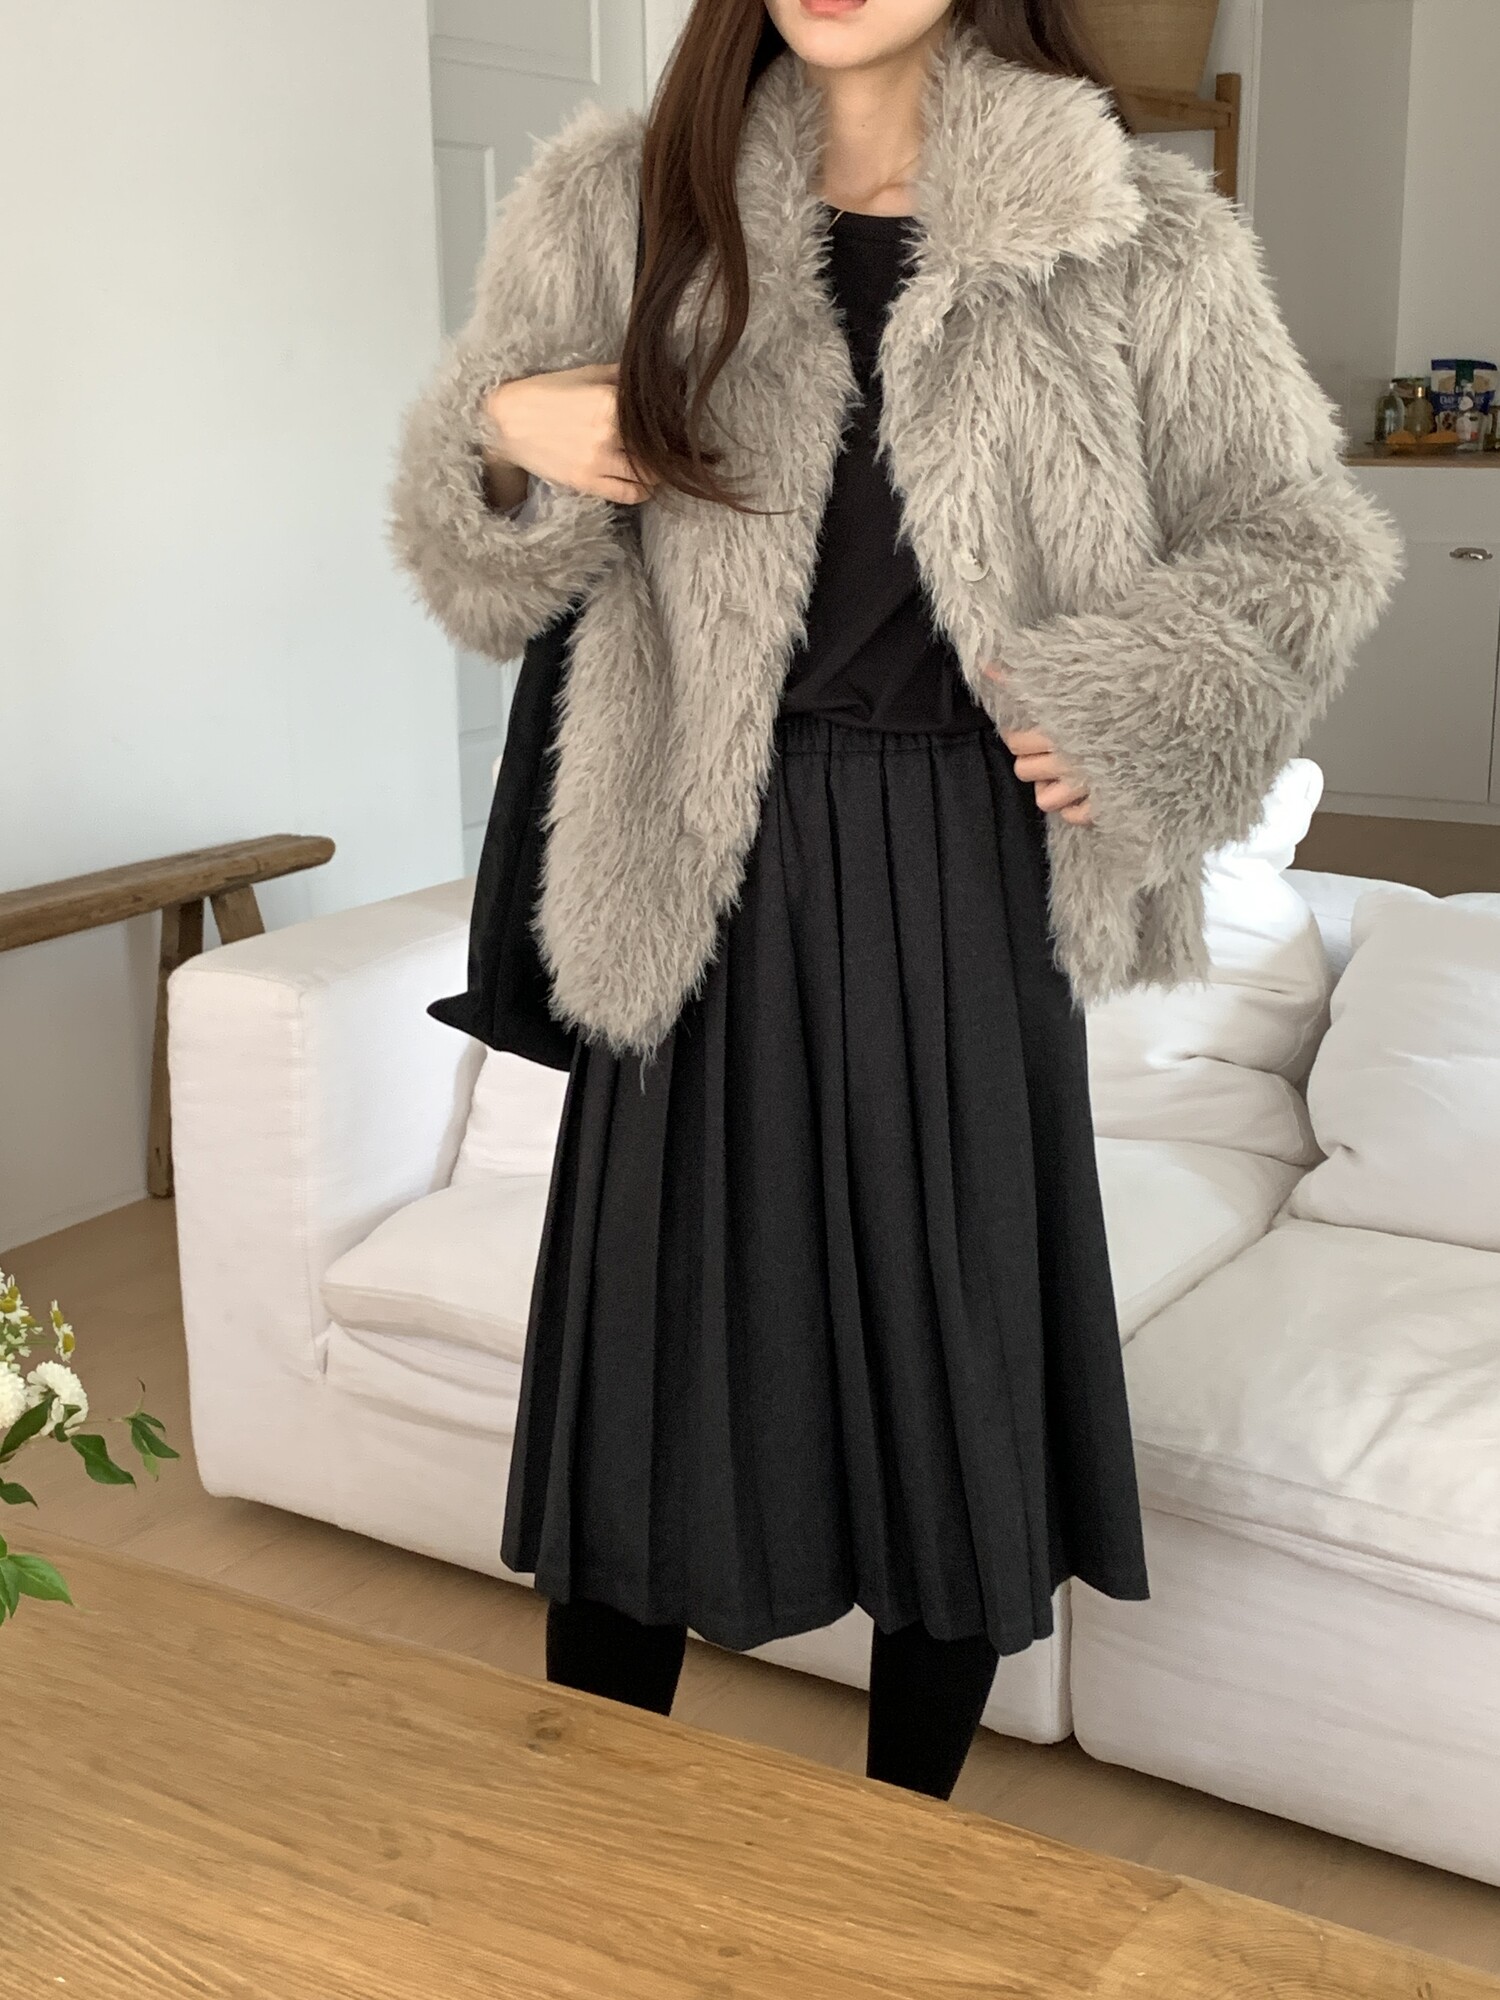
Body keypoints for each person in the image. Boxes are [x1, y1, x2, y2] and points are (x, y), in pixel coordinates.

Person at [387, 0, 1401, 1802]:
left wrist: (1147, 702)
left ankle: (905, 1844)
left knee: (949, 1354)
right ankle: (586, 1846)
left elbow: (1301, 544)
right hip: (685, 859)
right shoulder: (621, 201)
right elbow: (486, 582)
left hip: (956, 861)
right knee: (650, 1365)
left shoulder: (1128, 224)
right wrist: (499, 434)